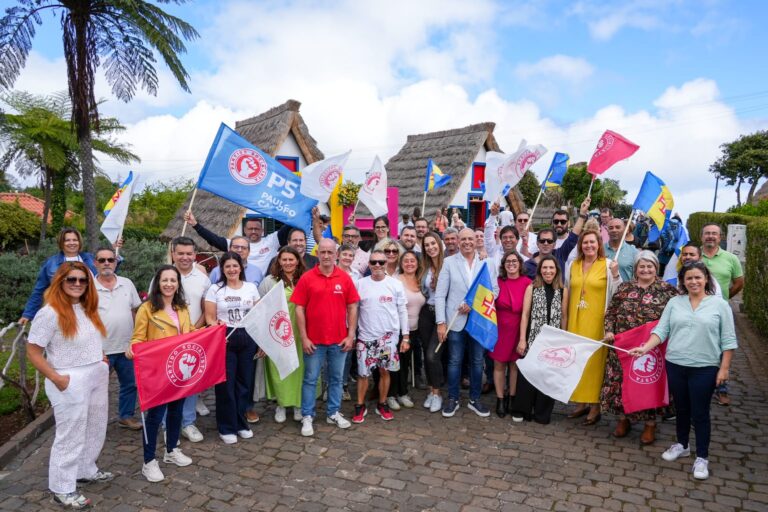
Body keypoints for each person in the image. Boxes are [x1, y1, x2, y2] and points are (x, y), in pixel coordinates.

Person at [629, 262, 737, 480]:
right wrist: (645, 348)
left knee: (700, 413)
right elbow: (662, 330)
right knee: (682, 408)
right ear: (683, 281)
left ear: (706, 278)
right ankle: (682, 444)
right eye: (689, 278)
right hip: (676, 364)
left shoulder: (719, 305)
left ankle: (702, 457)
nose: (694, 282)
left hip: (705, 367)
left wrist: (724, 368)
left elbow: (728, 340)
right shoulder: (675, 302)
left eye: (698, 277)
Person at [27, 262, 111, 508]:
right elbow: (33, 351)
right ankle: (62, 487)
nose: (77, 284)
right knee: (70, 435)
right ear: (61, 281)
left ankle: (85, 468)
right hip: (68, 379)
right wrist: (56, 378)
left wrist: (100, 356)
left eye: (82, 280)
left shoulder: (87, 307)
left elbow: (87, 338)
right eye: (71, 280)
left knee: (95, 426)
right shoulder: (50, 312)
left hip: (95, 372)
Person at [601, 251, 678, 444]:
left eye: (649, 266)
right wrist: (609, 331)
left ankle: (650, 424)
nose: (645, 269)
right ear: (635, 269)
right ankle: (623, 419)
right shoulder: (625, 288)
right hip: (623, 347)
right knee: (622, 383)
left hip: (651, 348)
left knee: (647, 385)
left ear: (656, 268)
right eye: (641, 266)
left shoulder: (667, 290)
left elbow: (675, 318)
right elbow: (610, 313)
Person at [129, 265, 194, 483]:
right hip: (157, 372)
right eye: (164, 280)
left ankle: (172, 449)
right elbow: (138, 338)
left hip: (179, 372)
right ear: (158, 283)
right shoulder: (147, 309)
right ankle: (149, 461)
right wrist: (133, 348)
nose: (168, 284)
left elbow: (191, 333)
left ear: (178, 284)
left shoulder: (182, 307)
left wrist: (212, 333)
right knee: (155, 417)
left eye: (173, 280)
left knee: (176, 411)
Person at [291, 239, 359, 436]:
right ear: (318, 253)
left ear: (336, 254)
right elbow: (299, 309)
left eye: (330, 252)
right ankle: (307, 416)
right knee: (311, 379)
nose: (327, 256)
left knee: (337, 379)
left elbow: (352, 306)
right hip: (314, 340)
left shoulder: (345, 278)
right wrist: (304, 337)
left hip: (339, 340)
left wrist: (351, 335)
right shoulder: (307, 278)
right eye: (323, 252)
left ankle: (333, 412)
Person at [435, 228, 499, 418]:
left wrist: (475, 304)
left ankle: (475, 399)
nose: (467, 242)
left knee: (477, 362)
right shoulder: (448, 263)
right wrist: (441, 322)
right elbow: (440, 295)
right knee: (454, 361)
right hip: (456, 321)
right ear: (457, 241)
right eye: (463, 239)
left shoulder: (486, 263)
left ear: (476, 240)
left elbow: (494, 291)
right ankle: (453, 398)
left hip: (479, 320)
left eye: (470, 238)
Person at [566, 229, 621, 425]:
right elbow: (568, 290)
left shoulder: (607, 265)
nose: (589, 246)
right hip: (576, 319)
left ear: (599, 244)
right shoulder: (573, 264)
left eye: (593, 242)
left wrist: (615, 275)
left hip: (597, 320)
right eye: (585, 242)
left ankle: (595, 405)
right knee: (577, 360)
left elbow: (617, 291)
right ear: (580, 245)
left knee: (594, 363)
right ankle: (581, 402)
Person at [204, 252, 261, 444]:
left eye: (235, 266)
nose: (231, 270)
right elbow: (210, 318)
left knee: (244, 383)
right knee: (225, 384)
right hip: (225, 337)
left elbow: (258, 314)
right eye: (227, 266)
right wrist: (217, 332)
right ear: (222, 269)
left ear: (241, 267)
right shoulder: (215, 290)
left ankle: (240, 423)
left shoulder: (251, 288)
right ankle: (226, 426)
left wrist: (261, 341)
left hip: (248, 336)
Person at [351, 250, 409, 423]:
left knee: (384, 371)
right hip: (365, 337)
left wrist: (405, 336)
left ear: (386, 264)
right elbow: (353, 311)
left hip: (388, 339)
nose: (377, 265)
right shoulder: (360, 284)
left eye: (381, 262)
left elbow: (402, 310)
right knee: (363, 374)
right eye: (374, 262)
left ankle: (382, 403)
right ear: (368, 264)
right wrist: (352, 334)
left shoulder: (395, 284)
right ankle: (360, 405)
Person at [163, 236, 210, 442]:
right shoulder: (162, 277)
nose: (184, 257)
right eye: (180, 253)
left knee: (191, 382)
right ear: (173, 254)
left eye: (189, 253)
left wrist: (193, 330)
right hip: (167, 340)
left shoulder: (203, 279)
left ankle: (188, 422)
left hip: (193, 338)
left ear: (194, 255)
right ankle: (167, 425)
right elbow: (154, 308)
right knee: (168, 384)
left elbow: (206, 309)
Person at [21, 228, 120, 324]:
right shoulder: (51, 263)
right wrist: (28, 314)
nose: (72, 243)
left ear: (79, 242)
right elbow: (39, 290)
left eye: (75, 240)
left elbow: (108, 271)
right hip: (63, 311)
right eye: (67, 240)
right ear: (61, 243)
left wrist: (114, 250)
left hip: (90, 308)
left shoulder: (90, 258)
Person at [258, 247, 311, 423]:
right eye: (284, 259)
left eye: (291, 259)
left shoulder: (306, 279)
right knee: (279, 368)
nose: (288, 263)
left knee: (298, 368)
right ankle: (280, 404)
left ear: (298, 260)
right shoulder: (269, 281)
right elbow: (260, 309)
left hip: (300, 330)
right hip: (277, 332)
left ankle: (297, 405)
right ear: (278, 261)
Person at [514, 256, 568, 424]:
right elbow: (525, 315)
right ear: (539, 270)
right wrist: (522, 339)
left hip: (552, 343)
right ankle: (522, 410)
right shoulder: (532, 287)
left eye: (551, 268)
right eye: (544, 268)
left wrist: (563, 340)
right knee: (528, 375)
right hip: (533, 339)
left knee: (547, 377)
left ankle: (542, 413)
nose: (548, 271)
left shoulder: (563, 290)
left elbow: (564, 316)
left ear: (557, 270)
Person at [94, 247, 142, 430]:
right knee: (97, 388)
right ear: (95, 263)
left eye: (110, 260)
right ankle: (95, 421)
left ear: (116, 262)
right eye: (102, 260)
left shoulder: (127, 283)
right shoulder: (89, 286)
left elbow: (135, 310)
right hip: (100, 348)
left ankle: (126, 416)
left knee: (130, 384)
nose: (107, 263)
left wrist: (137, 337)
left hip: (126, 346)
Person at [700, 223, 743, 406]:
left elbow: (739, 282)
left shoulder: (730, 258)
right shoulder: (692, 254)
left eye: (714, 234)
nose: (710, 236)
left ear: (721, 237)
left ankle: (721, 387)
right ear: (702, 236)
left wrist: (723, 300)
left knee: (721, 348)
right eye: (707, 233)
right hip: (694, 310)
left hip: (719, 312)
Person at [489, 251, 531, 419]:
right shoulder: (497, 282)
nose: (511, 264)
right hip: (500, 329)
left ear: (520, 264)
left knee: (514, 365)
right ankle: (500, 399)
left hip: (518, 329)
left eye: (514, 261)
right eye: (508, 261)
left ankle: (512, 398)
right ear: (503, 265)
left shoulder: (528, 283)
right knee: (499, 365)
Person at [185, 211, 288, 276]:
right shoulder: (236, 244)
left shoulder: (272, 241)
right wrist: (195, 225)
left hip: (265, 286)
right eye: (250, 229)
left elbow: (289, 226)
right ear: (244, 230)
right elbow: (213, 239)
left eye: (256, 229)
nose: (253, 231)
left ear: (262, 230)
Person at [522, 198, 591, 278]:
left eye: (549, 241)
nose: (546, 243)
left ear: (554, 244)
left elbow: (573, 236)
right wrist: (524, 242)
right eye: (542, 241)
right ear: (537, 243)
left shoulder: (560, 255)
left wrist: (582, 215)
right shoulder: (528, 265)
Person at [391, 250, 425, 409]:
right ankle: (391, 395)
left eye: (412, 261)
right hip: (398, 329)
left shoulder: (421, 281)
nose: (409, 263)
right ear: (401, 264)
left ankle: (402, 392)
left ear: (417, 263)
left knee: (405, 364)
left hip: (415, 330)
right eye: (406, 261)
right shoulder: (395, 280)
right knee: (395, 363)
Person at [420, 232, 447, 413]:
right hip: (425, 314)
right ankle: (431, 390)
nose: (430, 247)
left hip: (442, 316)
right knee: (426, 354)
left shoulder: (449, 265)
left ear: (439, 243)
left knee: (433, 355)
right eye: (427, 245)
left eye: (433, 243)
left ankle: (437, 393)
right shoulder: (424, 267)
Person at [604, 218, 638, 282]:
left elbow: (636, 278)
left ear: (624, 230)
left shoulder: (634, 252)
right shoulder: (599, 250)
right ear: (607, 230)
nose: (614, 230)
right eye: (611, 228)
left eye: (618, 227)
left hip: (625, 291)